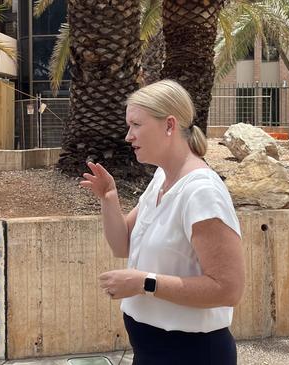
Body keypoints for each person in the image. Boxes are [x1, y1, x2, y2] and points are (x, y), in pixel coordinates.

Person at [81, 79, 245, 364]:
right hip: (152, 352)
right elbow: (122, 244)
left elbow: (229, 288)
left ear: (169, 125)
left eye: (136, 125)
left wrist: (145, 282)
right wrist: (109, 197)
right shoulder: (161, 179)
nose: (128, 136)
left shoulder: (202, 192)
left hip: (191, 354)